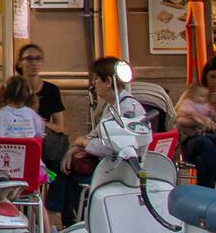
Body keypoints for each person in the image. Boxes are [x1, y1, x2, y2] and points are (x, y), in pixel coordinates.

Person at [51, 57, 148, 225]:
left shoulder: (127, 108)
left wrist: (85, 144)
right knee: (63, 169)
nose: (94, 83)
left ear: (108, 81)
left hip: (119, 170)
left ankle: (74, 221)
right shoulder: (112, 107)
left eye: (96, 79)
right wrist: (74, 148)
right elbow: (95, 134)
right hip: (108, 165)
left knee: (65, 175)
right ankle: (68, 221)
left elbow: (111, 146)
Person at [176, 58, 216, 188]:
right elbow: (178, 118)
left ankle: (206, 195)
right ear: (206, 76)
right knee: (205, 142)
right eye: (212, 77)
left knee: (202, 161)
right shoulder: (194, 92)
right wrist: (199, 122)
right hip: (193, 141)